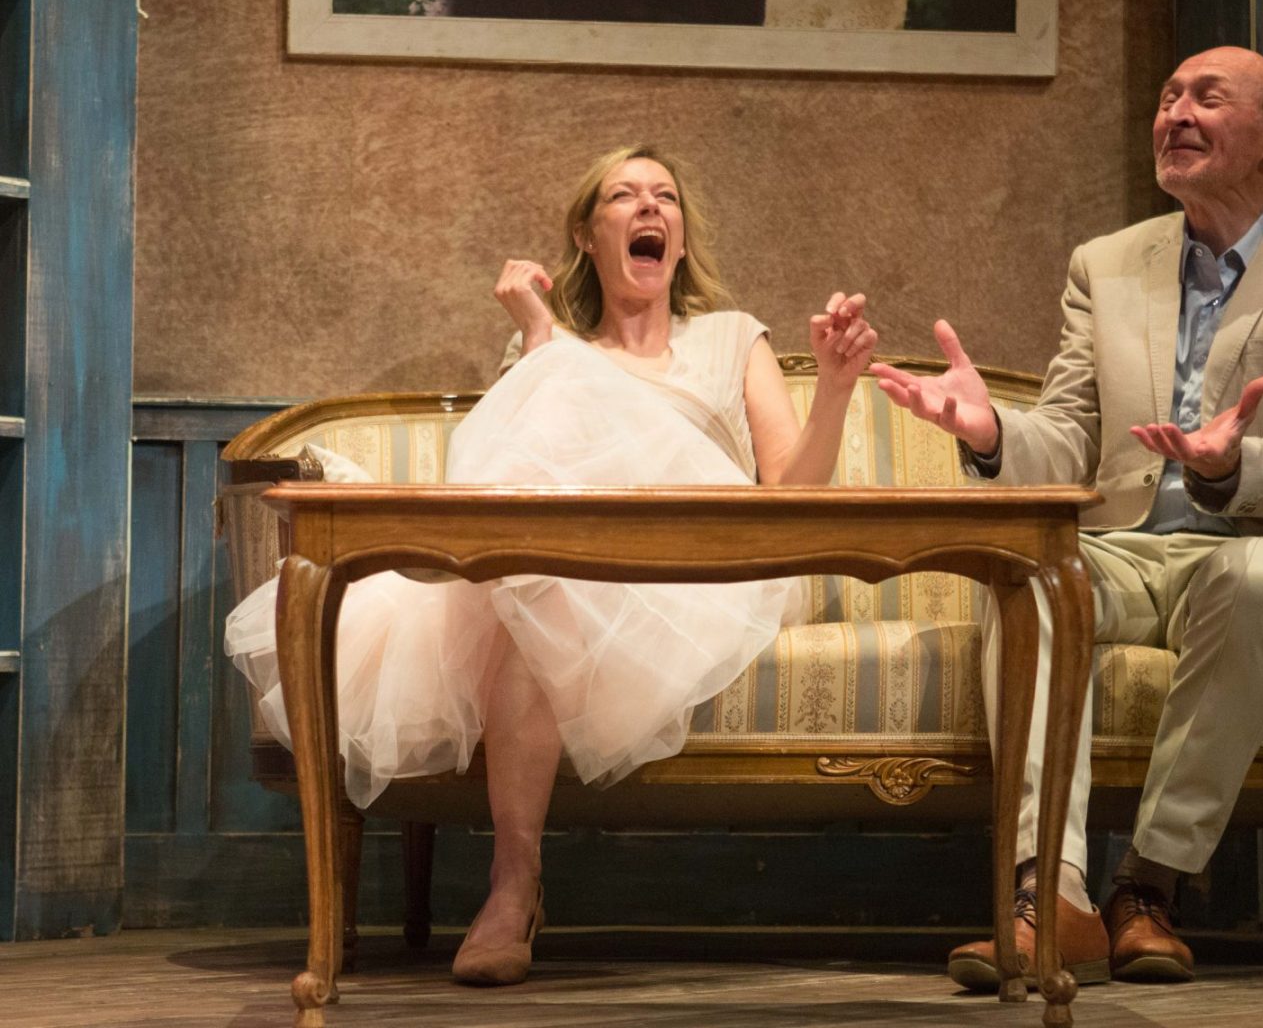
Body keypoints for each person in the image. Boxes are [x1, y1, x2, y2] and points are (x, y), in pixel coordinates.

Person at [225, 144, 878, 986]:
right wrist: (543, 342)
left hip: (707, 577)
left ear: (681, 238)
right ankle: (516, 881)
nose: (650, 208)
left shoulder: (729, 339)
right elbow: (509, 486)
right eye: (624, 196)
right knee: (530, 591)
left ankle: (511, 882)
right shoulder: (545, 354)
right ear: (585, 234)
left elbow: (791, 494)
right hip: (564, 569)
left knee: (530, 572)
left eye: (666, 197)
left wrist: (834, 388)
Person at [872, 47, 1263, 988]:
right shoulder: (1107, 264)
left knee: (1251, 579)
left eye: (1207, 98)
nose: (1176, 114)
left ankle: (1149, 888)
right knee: (1031, 580)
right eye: (1167, 98)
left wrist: (1228, 462)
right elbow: (1069, 438)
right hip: (1120, 546)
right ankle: (1051, 899)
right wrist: (992, 433)